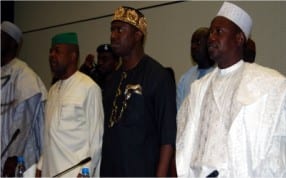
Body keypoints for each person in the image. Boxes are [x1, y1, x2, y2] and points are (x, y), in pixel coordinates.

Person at [176, 2, 286, 178]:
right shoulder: (198, 88)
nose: (211, 37)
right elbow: (183, 139)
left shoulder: (263, 82)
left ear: (239, 38)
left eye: (219, 32)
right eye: (211, 31)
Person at [100, 6, 177, 177]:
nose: (113, 35)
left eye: (120, 30)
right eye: (112, 30)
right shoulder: (112, 80)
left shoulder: (158, 76)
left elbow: (168, 136)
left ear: (137, 35)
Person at [36, 32, 104, 177]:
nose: (52, 55)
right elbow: (49, 137)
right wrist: (40, 167)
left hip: (75, 174)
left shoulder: (89, 88)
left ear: (73, 56)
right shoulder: (53, 90)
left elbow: (96, 141)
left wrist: (84, 173)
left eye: (57, 51)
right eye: (50, 51)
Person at [1, 21, 47, 177]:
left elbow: (24, 121)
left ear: (12, 44)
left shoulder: (24, 75)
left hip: (19, 159)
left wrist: (13, 155)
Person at [177, 27, 215, 109]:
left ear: (209, 45)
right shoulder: (185, 78)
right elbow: (179, 112)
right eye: (192, 42)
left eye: (198, 43)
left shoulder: (219, 76)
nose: (193, 46)